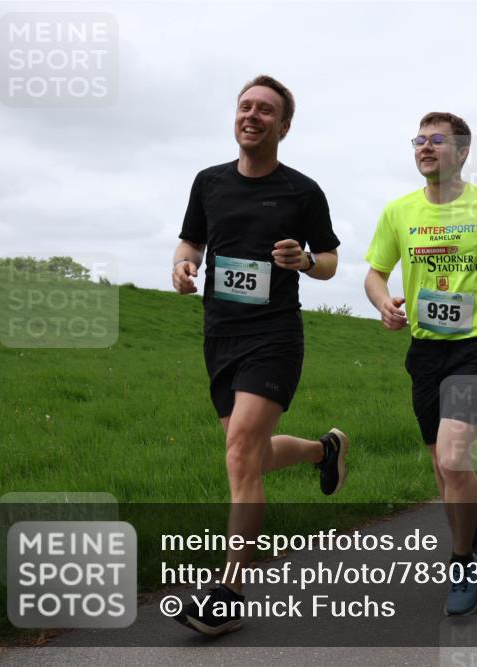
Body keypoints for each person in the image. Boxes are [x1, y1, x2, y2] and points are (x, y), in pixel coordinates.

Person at [171, 75, 348, 636]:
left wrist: (302, 260)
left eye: (265, 110)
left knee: (242, 448)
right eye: (245, 106)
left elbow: (330, 262)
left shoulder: (302, 191)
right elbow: (191, 241)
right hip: (219, 335)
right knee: (247, 455)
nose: (252, 115)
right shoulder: (208, 183)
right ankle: (324, 451)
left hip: (273, 335)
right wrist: (182, 264)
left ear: (284, 126)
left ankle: (228, 591)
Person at [364, 112, 477, 616]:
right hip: (425, 351)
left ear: (461, 152)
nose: (425, 147)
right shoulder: (398, 212)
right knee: (443, 473)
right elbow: (375, 273)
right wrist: (383, 302)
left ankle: (461, 562)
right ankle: (476, 534)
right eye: (419, 140)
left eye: (437, 140)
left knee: (452, 456)